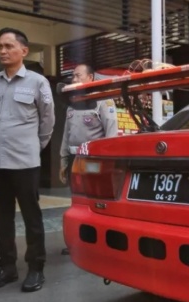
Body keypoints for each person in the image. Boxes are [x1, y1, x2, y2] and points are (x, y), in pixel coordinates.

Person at [0, 28, 55, 293]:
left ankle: (36, 268)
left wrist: (34, 146)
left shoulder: (37, 82)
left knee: (31, 218)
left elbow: (47, 120)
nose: (2, 51)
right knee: (1, 219)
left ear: (23, 50)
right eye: (0, 46)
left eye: (9, 46)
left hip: (25, 162)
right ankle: (7, 268)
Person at [59, 64, 118, 255]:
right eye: (73, 77)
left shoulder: (104, 101)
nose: (74, 80)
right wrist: (63, 160)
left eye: (78, 76)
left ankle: (103, 242)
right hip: (74, 159)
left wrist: (107, 162)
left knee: (98, 202)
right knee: (78, 202)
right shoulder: (72, 102)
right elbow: (66, 135)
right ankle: (78, 241)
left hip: (94, 160)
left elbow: (111, 134)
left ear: (90, 78)